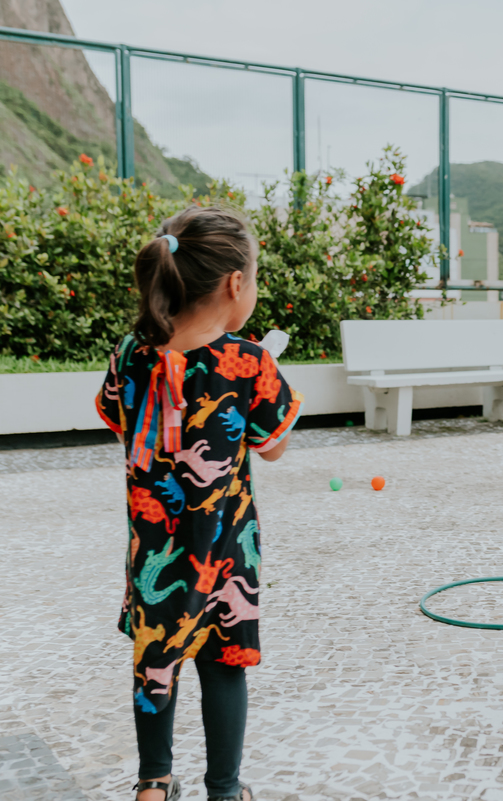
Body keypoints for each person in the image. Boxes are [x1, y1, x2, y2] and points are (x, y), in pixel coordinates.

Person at [95, 206, 303, 801]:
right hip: (225, 550)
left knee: (154, 661)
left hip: (153, 548)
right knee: (224, 666)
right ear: (236, 284)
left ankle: (153, 785)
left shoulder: (132, 351)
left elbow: (119, 421)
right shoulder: (249, 361)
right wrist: (269, 370)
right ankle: (225, 790)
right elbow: (273, 447)